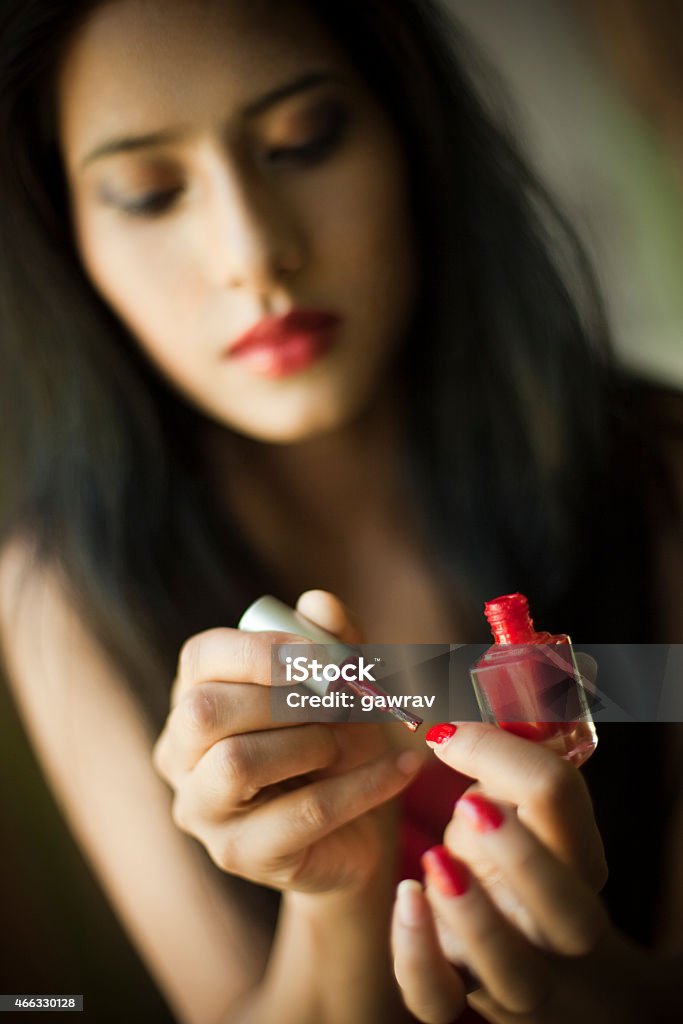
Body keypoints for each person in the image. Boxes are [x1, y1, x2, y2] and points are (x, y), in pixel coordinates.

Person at [0, 1, 681, 1022]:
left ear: (409, 135)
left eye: (302, 142)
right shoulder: (63, 590)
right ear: (71, 240)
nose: (252, 253)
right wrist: (334, 888)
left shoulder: (657, 470)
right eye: (148, 192)